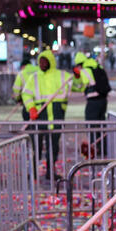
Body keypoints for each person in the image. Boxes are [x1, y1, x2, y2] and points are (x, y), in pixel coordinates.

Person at [22, 49, 80, 181]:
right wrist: (31, 108)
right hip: (40, 117)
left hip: (56, 116)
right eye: (40, 61)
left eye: (44, 61)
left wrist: (77, 76)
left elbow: (77, 86)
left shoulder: (62, 75)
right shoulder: (34, 78)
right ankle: (34, 171)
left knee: (53, 146)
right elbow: (26, 94)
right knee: (35, 145)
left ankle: (50, 171)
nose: (42, 64)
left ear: (51, 62)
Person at [73, 51, 111, 157]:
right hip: (103, 100)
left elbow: (81, 86)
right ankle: (103, 148)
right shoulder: (96, 66)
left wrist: (77, 76)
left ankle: (96, 148)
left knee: (91, 125)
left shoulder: (85, 70)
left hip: (93, 101)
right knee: (100, 125)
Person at [12, 56, 37, 121]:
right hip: (41, 102)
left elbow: (16, 89)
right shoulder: (39, 70)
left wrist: (18, 99)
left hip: (28, 102)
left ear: (23, 66)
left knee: (28, 122)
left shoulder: (21, 73)